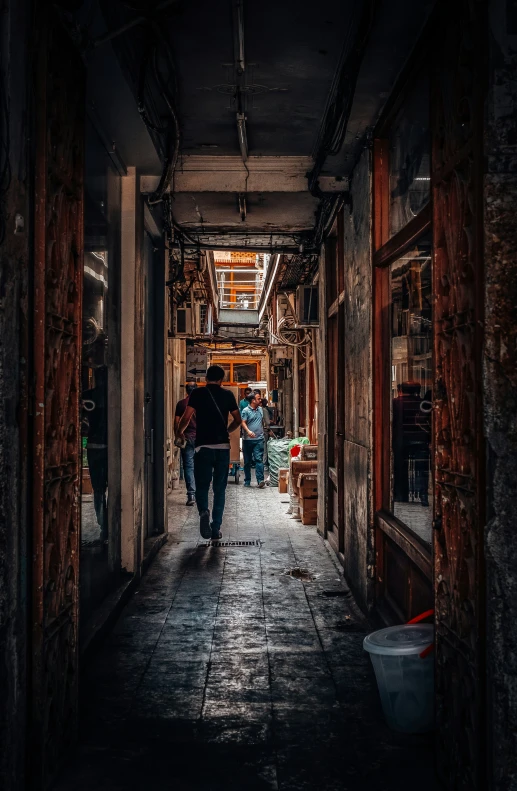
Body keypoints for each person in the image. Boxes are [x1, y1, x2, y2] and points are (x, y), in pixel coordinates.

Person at [175, 365, 242, 540]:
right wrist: (227, 430)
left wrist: (179, 433)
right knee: (220, 489)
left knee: (202, 485)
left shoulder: (197, 394)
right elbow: (238, 420)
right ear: (222, 379)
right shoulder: (227, 395)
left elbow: (186, 417)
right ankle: (216, 527)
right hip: (222, 448)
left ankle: (204, 511)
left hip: (202, 447)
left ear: (206, 378)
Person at [174, 383, 197, 506]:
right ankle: (200, 493)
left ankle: (191, 494)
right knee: (200, 466)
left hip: (186, 438)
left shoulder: (181, 404)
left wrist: (178, 434)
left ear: (186, 391)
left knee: (188, 466)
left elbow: (176, 422)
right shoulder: (202, 404)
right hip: (201, 439)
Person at [241, 393, 265, 488]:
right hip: (247, 440)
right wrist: (248, 431)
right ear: (253, 401)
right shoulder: (245, 411)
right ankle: (247, 480)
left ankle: (260, 480)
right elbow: (243, 422)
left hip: (259, 439)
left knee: (259, 459)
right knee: (247, 461)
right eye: (258, 399)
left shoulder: (260, 410)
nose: (260, 400)